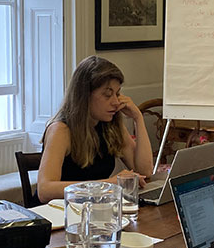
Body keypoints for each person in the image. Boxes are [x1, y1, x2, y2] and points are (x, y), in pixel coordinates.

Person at [36, 55, 154, 202]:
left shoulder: (109, 124)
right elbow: (44, 190)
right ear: (85, 96)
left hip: (95, 209)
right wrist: (108, 184)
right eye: (107, 95)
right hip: (63, 214)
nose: (116, 102)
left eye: (117, 94)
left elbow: (145, 171)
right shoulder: (61, 130)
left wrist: (138, 119)